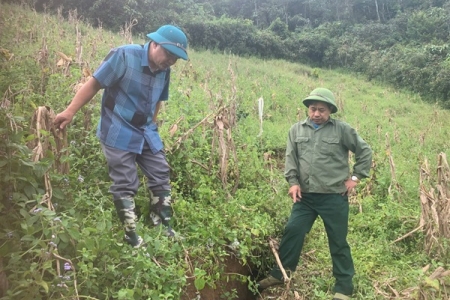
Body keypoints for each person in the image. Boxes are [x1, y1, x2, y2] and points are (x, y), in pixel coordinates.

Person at [54, 25, 189, 248]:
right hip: (118, 128)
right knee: (126, 181)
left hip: (146, 131)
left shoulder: (165, 71)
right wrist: (70, 111)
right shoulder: (124, 55)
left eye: (176, 59)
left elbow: (158, 101)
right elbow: (94, 83)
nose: (171, 61)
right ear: (154, 44)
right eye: (168, 54)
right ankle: (131, 234)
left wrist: (152, 125)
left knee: (160, 172)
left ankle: (161, 223)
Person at [257, 88, 372, 300]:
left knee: (338, 241)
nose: (316, 114)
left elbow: (364, 151)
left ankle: (344, 287)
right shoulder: (296, 130)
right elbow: (291, 158)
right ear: (308, 110)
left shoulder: (342, 130)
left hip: (334, 197)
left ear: (330, 111)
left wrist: (355, 178)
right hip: (305, 198)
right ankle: (280, 274)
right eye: (313, 109)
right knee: (293, 231)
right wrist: (292, 182)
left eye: (321, 110)